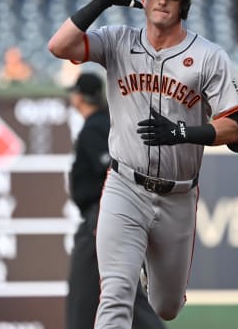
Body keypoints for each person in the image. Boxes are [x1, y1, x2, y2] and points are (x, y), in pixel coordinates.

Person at [48, 0, 238, 328]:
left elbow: (236, 129)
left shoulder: (208, 56)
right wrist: (102, 1)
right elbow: (59, 46)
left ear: (183, 5)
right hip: (125, 186)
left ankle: (150, 272)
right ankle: (130, 266)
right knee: (115, 295)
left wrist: (183, 133)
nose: (163, 0)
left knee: (166, 306)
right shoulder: (117, 41)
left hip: (177, 194)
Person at [65, 72, 164, 329]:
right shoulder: (107, 123)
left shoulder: (96, 127)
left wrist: (108, 219)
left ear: (80, 97)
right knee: (121, 293)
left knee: (87, 295)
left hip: (104, 216)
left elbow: (112, 170)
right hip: (112, 214)